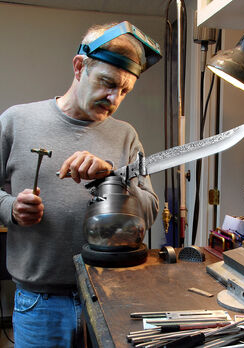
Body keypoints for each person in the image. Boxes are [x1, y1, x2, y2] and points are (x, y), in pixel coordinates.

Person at [0, 21, 161, 347]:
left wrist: (111, 177)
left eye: (125, 91)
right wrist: (11, 209)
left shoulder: (126, 136)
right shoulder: (16, 121)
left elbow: (150, 210)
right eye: (107, 83)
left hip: (111, 296)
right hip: (40, 303)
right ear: (79, 67)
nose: (114, 98)